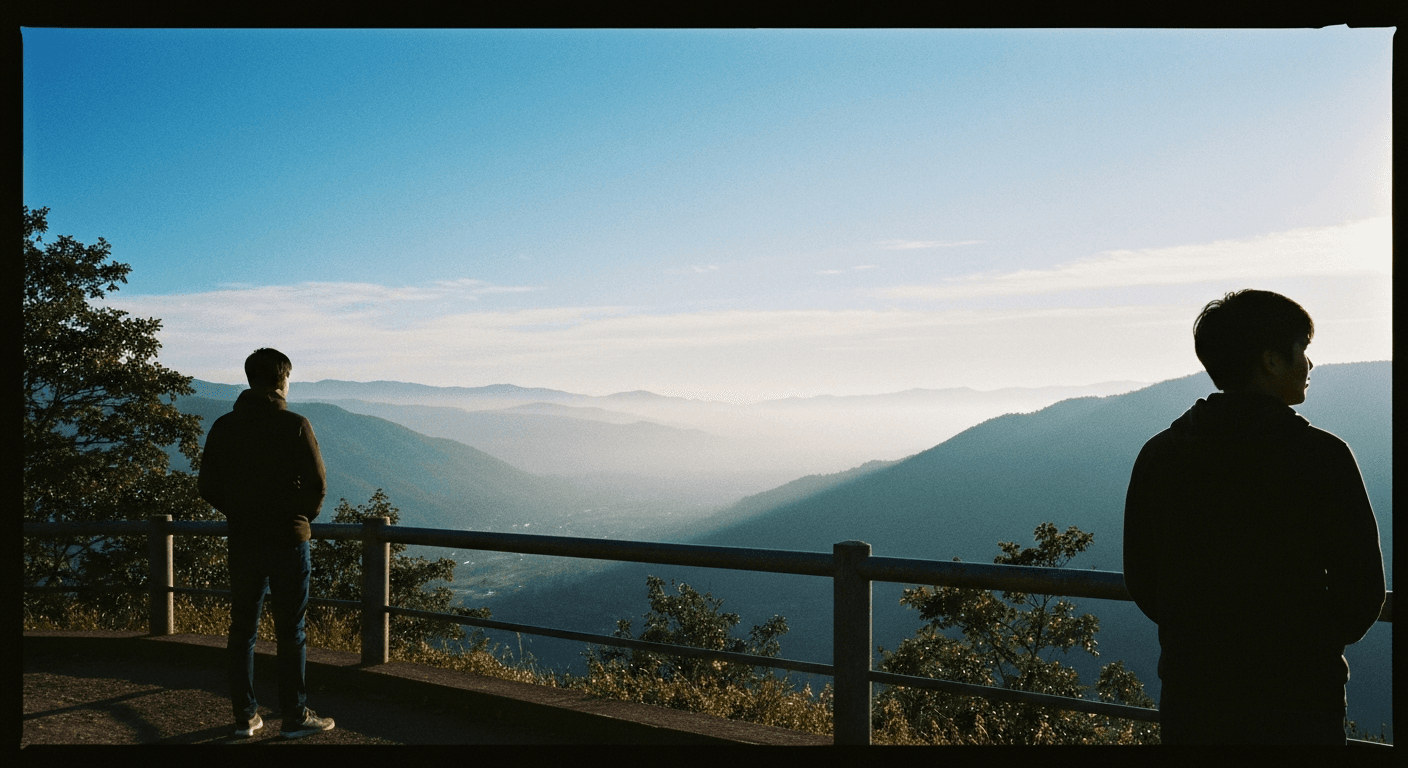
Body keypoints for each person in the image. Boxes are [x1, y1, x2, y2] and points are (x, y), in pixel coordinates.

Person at [1123, 289, 1385, 745]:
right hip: (1299, 702)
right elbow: (1362, 589)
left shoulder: (1161, 455)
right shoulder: (1321, 456)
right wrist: (1308, 645)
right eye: (1302, 351)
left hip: (1192, 697)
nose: (1309, 364)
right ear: (1271, 361)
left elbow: (1144, 579)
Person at [198, 348, 336, 739]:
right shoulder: (294, 424)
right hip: (288, 542)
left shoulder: (224, 426)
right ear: (281, 379)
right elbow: (317, 485)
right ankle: (294, 716)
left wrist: (240, 510)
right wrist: (300, 518)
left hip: (244, 541)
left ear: (249, 379)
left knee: (242, 629)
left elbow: (206, 485)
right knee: (291, 630)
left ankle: (245, 717)